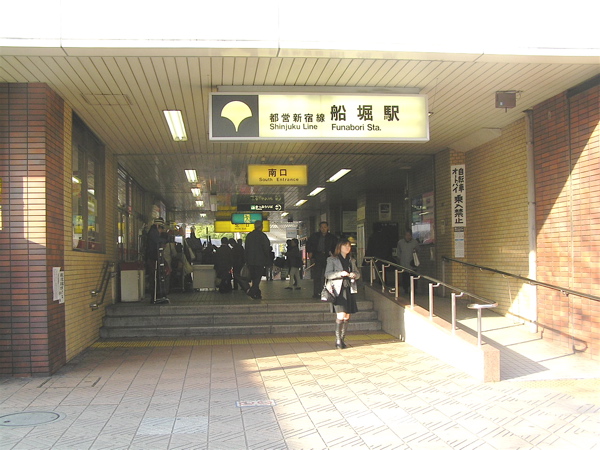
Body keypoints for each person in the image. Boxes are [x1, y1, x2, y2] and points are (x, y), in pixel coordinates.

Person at [325, 238, 360, 349]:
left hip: (349, 289)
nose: (348, 248)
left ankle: (342, 339)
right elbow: (327, 274)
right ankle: (338, 340)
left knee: (347, 316)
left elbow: (358, 273)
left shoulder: (351, 260)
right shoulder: (332, 259)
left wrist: (354, 275)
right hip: (338, 291)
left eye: (349, 246)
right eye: (345, 246)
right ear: (339, 247)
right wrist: (340, 273)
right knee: (341, 315)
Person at [306, 221, 338, 298]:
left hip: (328, 257)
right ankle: (317, 292)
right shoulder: (315, 236)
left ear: (328, 228)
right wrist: (310, 252)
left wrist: (334, 254)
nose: (323, 229)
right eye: (322, 227)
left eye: (325, 227)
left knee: (328, 275)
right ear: (319, 228)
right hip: (318, 256)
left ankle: (328, 291)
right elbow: (309, 244)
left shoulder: (332, 237)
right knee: (317, 275)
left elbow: (336, 246)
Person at [244, 220, 271, 299]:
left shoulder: (249, 236)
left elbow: (246, 249)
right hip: (260, 261)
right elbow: (266, 248)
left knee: (254, 277)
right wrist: (267, 259)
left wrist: (246, 260)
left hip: (250, 261)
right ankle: (252, 291)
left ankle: (257, 294)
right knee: (257, 278)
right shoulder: (263, 236)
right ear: (261, 227)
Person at [145, 217, 169, 303]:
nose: (161, 231)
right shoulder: (153, 232)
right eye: (161, 228)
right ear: (158, 226)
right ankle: (156, 296)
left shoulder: (152, 232)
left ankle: (157, 295)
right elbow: (158, 241)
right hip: (153, 258)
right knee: (154, 277)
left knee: (155, 277)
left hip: (153, 257)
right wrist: (165, 240)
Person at [396, 229, 420, 294]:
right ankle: (405, 289)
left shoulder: (415, 242)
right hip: (404, 263)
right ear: (404, 235)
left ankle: (414, 289)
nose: (408, 237)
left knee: (413, 277)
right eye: (406, 235)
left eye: (409, 235)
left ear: (411, 235)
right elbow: (398, 252)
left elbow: (418, 251)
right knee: (405, 277)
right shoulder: (400, 243)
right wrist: (399, 260)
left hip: (412, 263)